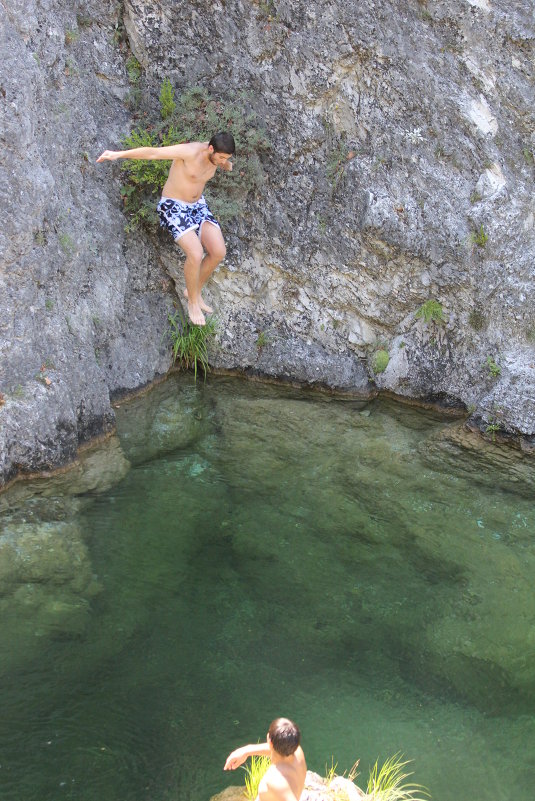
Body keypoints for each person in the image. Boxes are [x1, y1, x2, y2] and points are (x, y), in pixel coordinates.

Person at [97, 131, 235, 326]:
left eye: (226, 158)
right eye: (221, 157)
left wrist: (227, 164)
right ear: (210, 148)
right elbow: (153, 153)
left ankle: (193, 289)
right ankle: (193, 303)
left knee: (219, 251)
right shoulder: (188, 152)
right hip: (174, 207)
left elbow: (222, 163)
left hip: (197, 207)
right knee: (195, 254)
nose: (222, 161)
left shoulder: (217, 157)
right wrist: (118, 154)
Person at [224, 718, 307, 801]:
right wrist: (246, 751)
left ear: (269, 740)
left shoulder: (277, 780)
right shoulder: (297, 752)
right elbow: (279, 748)